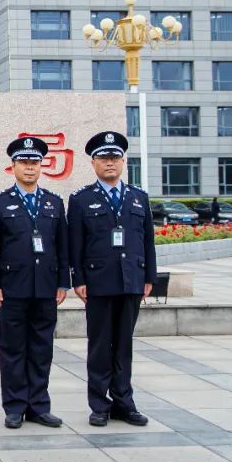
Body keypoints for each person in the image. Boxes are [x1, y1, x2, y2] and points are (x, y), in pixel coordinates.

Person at [68, 131, 156, 427]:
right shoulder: (81, 199)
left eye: (115, 158)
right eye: (104, 158)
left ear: (123, 162)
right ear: (93, 163)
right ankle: (98, 405)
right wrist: (78, 279)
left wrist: (149, 277)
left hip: (131, 280)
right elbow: (76, 244)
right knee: (99, 345)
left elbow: (147, 241)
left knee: (123, 345)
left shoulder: (139, 197)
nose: (110, 163)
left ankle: (124, 403)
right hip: (98, 282)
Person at [0, 137, 69, 430]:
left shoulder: (54, 203)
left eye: (34, 163)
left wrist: (63, 282)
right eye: (24, 163)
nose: (29, 168)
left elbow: (62, 247)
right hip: (12, 288)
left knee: (42, 348)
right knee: (12, 350)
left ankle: (39, 406)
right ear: (13, 166)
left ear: (41, 166)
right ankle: (15, 406)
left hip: (46, 288)